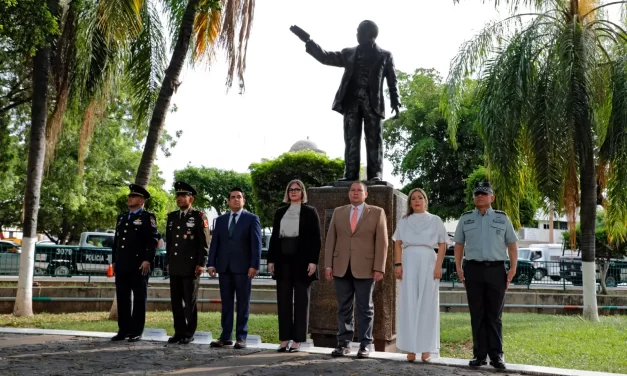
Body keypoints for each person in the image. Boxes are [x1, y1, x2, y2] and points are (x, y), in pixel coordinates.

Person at [291, 20, 400, 181]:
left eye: (359, 31)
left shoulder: (385, 55)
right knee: (351, 140)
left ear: (369, 34)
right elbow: (326, 57)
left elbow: (392, 80)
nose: (356, 34)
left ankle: (375, 174)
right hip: (351, 103)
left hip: (373, 104)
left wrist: (395, 101)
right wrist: (308, 41)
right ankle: (350, 173)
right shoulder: (349, 53)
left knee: (374, 140)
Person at [454, 181, 518, 370]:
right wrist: (458, 268)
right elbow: (459, 245)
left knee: (494, 315)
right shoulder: (465, 219)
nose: (480, 196)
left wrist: (513, 268)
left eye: (484, 193)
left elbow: (512, 245)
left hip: (496, 270)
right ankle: (479, 355)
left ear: (492, 198)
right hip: (473, 270)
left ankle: (497, 356)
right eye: (477, 194)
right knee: (477, 314)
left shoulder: (502, 218)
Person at [324, 181, 388, 359]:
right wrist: (328, 265)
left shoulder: (376, 212)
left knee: (365, 307)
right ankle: (343, 344)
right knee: (343, 307)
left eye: (359, 190)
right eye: (352, 190)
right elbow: (330, 241)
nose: (355, 193)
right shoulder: (338, 212)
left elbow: (382, 242)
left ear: (366, 194)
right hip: (341, 267)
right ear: (348, 193)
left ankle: (366, 344)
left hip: (366, 268)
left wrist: (379, 267)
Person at [393, 188, 447, 362]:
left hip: (429, 262)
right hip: (408, 261)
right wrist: (398, 265)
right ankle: (410, 348)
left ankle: (426, 348)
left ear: (426, 200)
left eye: (420, 198)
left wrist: (438, 266)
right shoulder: (404, 221)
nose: (417, 201)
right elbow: (397, 244)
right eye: (413, 199)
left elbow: (442, 244)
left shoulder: (435, 220)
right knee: (409, 303)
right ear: (410, 203)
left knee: (427, 304)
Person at [267, 180, 321, 353]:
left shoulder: (310, 212)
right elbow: (274, 237)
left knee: (301, 301)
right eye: (291, 189)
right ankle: (284, 339)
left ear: (302, 192)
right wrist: (271, 260)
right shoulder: (280, 212)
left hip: (303, 263)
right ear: (287, 192)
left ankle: (298, 340)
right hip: (283, 262)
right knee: (283, 301)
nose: (294, 192)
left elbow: (316, 239)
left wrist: (313, 261)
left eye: (297, 189)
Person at [208, 187, 262, 349]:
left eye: (239, 197)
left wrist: (254, 265)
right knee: (226, 303)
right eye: (233, 197)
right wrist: (211, 263)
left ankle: (241, 337)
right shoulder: (221, 220)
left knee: (243, 303)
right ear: (228, 201)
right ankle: (225, 337)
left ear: (243, 201)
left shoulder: (252, 219)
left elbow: (256, 245)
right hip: (224, 268)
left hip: (244, 269)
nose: (236, 199)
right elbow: (215, 244)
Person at [111, 184, 159, 342]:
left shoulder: (147, 218)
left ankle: (136, 331)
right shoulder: (123, 217)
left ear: (141, 200)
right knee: (123, 298)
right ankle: (123, 330)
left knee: (139, 299)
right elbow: (117, 242)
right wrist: (114, 261)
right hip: (123, 264)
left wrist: (148, 259)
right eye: (129, 196)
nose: (129, 199)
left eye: (133, 196)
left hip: (139, 265)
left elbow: (152, 241)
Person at [165, 181, 210, 345]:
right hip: (175, 265)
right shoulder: (172, 217)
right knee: (175, 301)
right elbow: (169, 242)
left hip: (191, 266)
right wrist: (168, 261)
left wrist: (201, 263)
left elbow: (203, 243)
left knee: (189, 301)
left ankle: (189, 332)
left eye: (183, 195)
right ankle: (179, 331)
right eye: (178, 195)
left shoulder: (198, 217)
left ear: (191, 199)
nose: (179, 198)